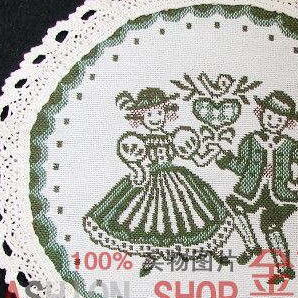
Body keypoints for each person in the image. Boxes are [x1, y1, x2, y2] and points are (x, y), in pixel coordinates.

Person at [83, 87, 233, 275]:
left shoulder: (177, 137)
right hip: (151, 181)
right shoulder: (138, 142)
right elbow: (134, 160)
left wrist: (214, 150)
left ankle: (212, 248)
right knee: (151, 218)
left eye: (159, 113)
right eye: (149, 114)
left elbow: (198, 159)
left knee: (193, 213)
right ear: (141, 118)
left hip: (178, 181)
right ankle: (152, 253)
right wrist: (138, 170)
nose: (155, 118)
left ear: (166, 114)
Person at [216, 90, 298, 283]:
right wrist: (226, 160)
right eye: (269, 116)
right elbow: (242, 167)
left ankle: (284, 269)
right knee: (233, 206)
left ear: (288, 123)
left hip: (280, 195)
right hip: (252, 191)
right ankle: (251, 246)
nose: (273, 122)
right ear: (261, 114)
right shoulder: (251, 141)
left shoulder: (289, 146)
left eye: (279, 119)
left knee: (270, 225)